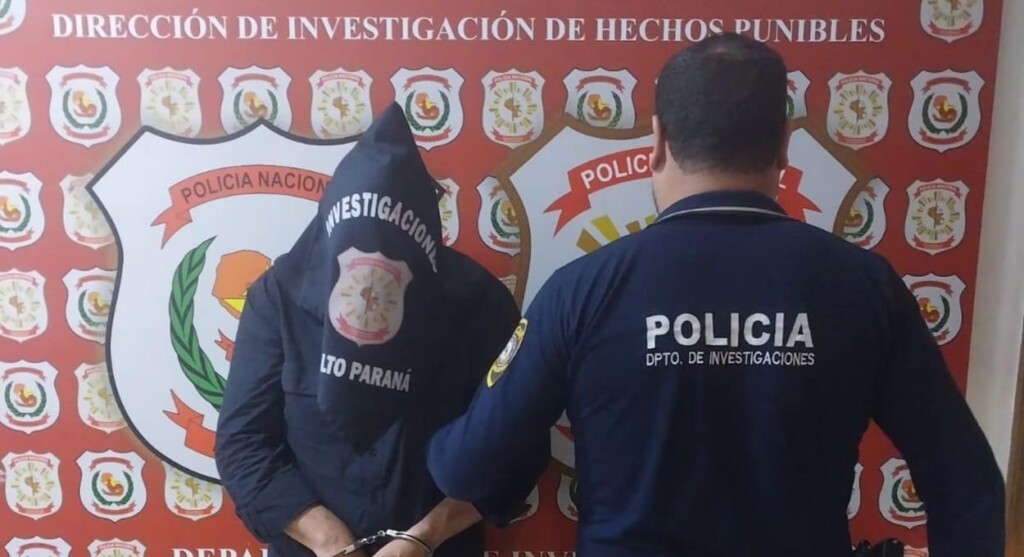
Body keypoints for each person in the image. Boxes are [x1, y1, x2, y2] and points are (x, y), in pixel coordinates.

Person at [424, 33, 1007, 556]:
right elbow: (967, 481)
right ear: (784, 145)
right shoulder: (865, 286)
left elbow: (468, 468)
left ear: (658, 141)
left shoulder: (582, 290)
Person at [214, 103, 520, 557]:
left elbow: (513, 448)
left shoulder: (482, 303)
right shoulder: (279, 297)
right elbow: (243, 444)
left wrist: (425, 537)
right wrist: (330, 541)